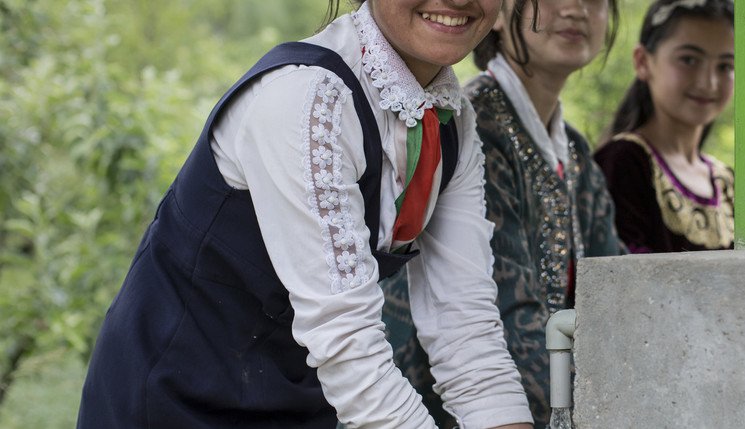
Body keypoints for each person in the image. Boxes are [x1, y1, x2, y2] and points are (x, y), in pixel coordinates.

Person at [75, 1, 534, 428]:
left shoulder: (454, 124)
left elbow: (466, 328)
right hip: (172, 402)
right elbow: (346, 341)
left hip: (299, 406)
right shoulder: (306, 96)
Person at [381, 0, 621, 427]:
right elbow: (509, 325)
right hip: (444, 404)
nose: (577, 9)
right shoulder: (471, 126)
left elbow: (616, 297)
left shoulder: (576, 153)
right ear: (500, 12)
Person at [594, 0, 735, 254]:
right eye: (689, 60)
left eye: (725, 66)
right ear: (643, 62)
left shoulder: (727, 182)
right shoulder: (624, 162)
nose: (708, 83)